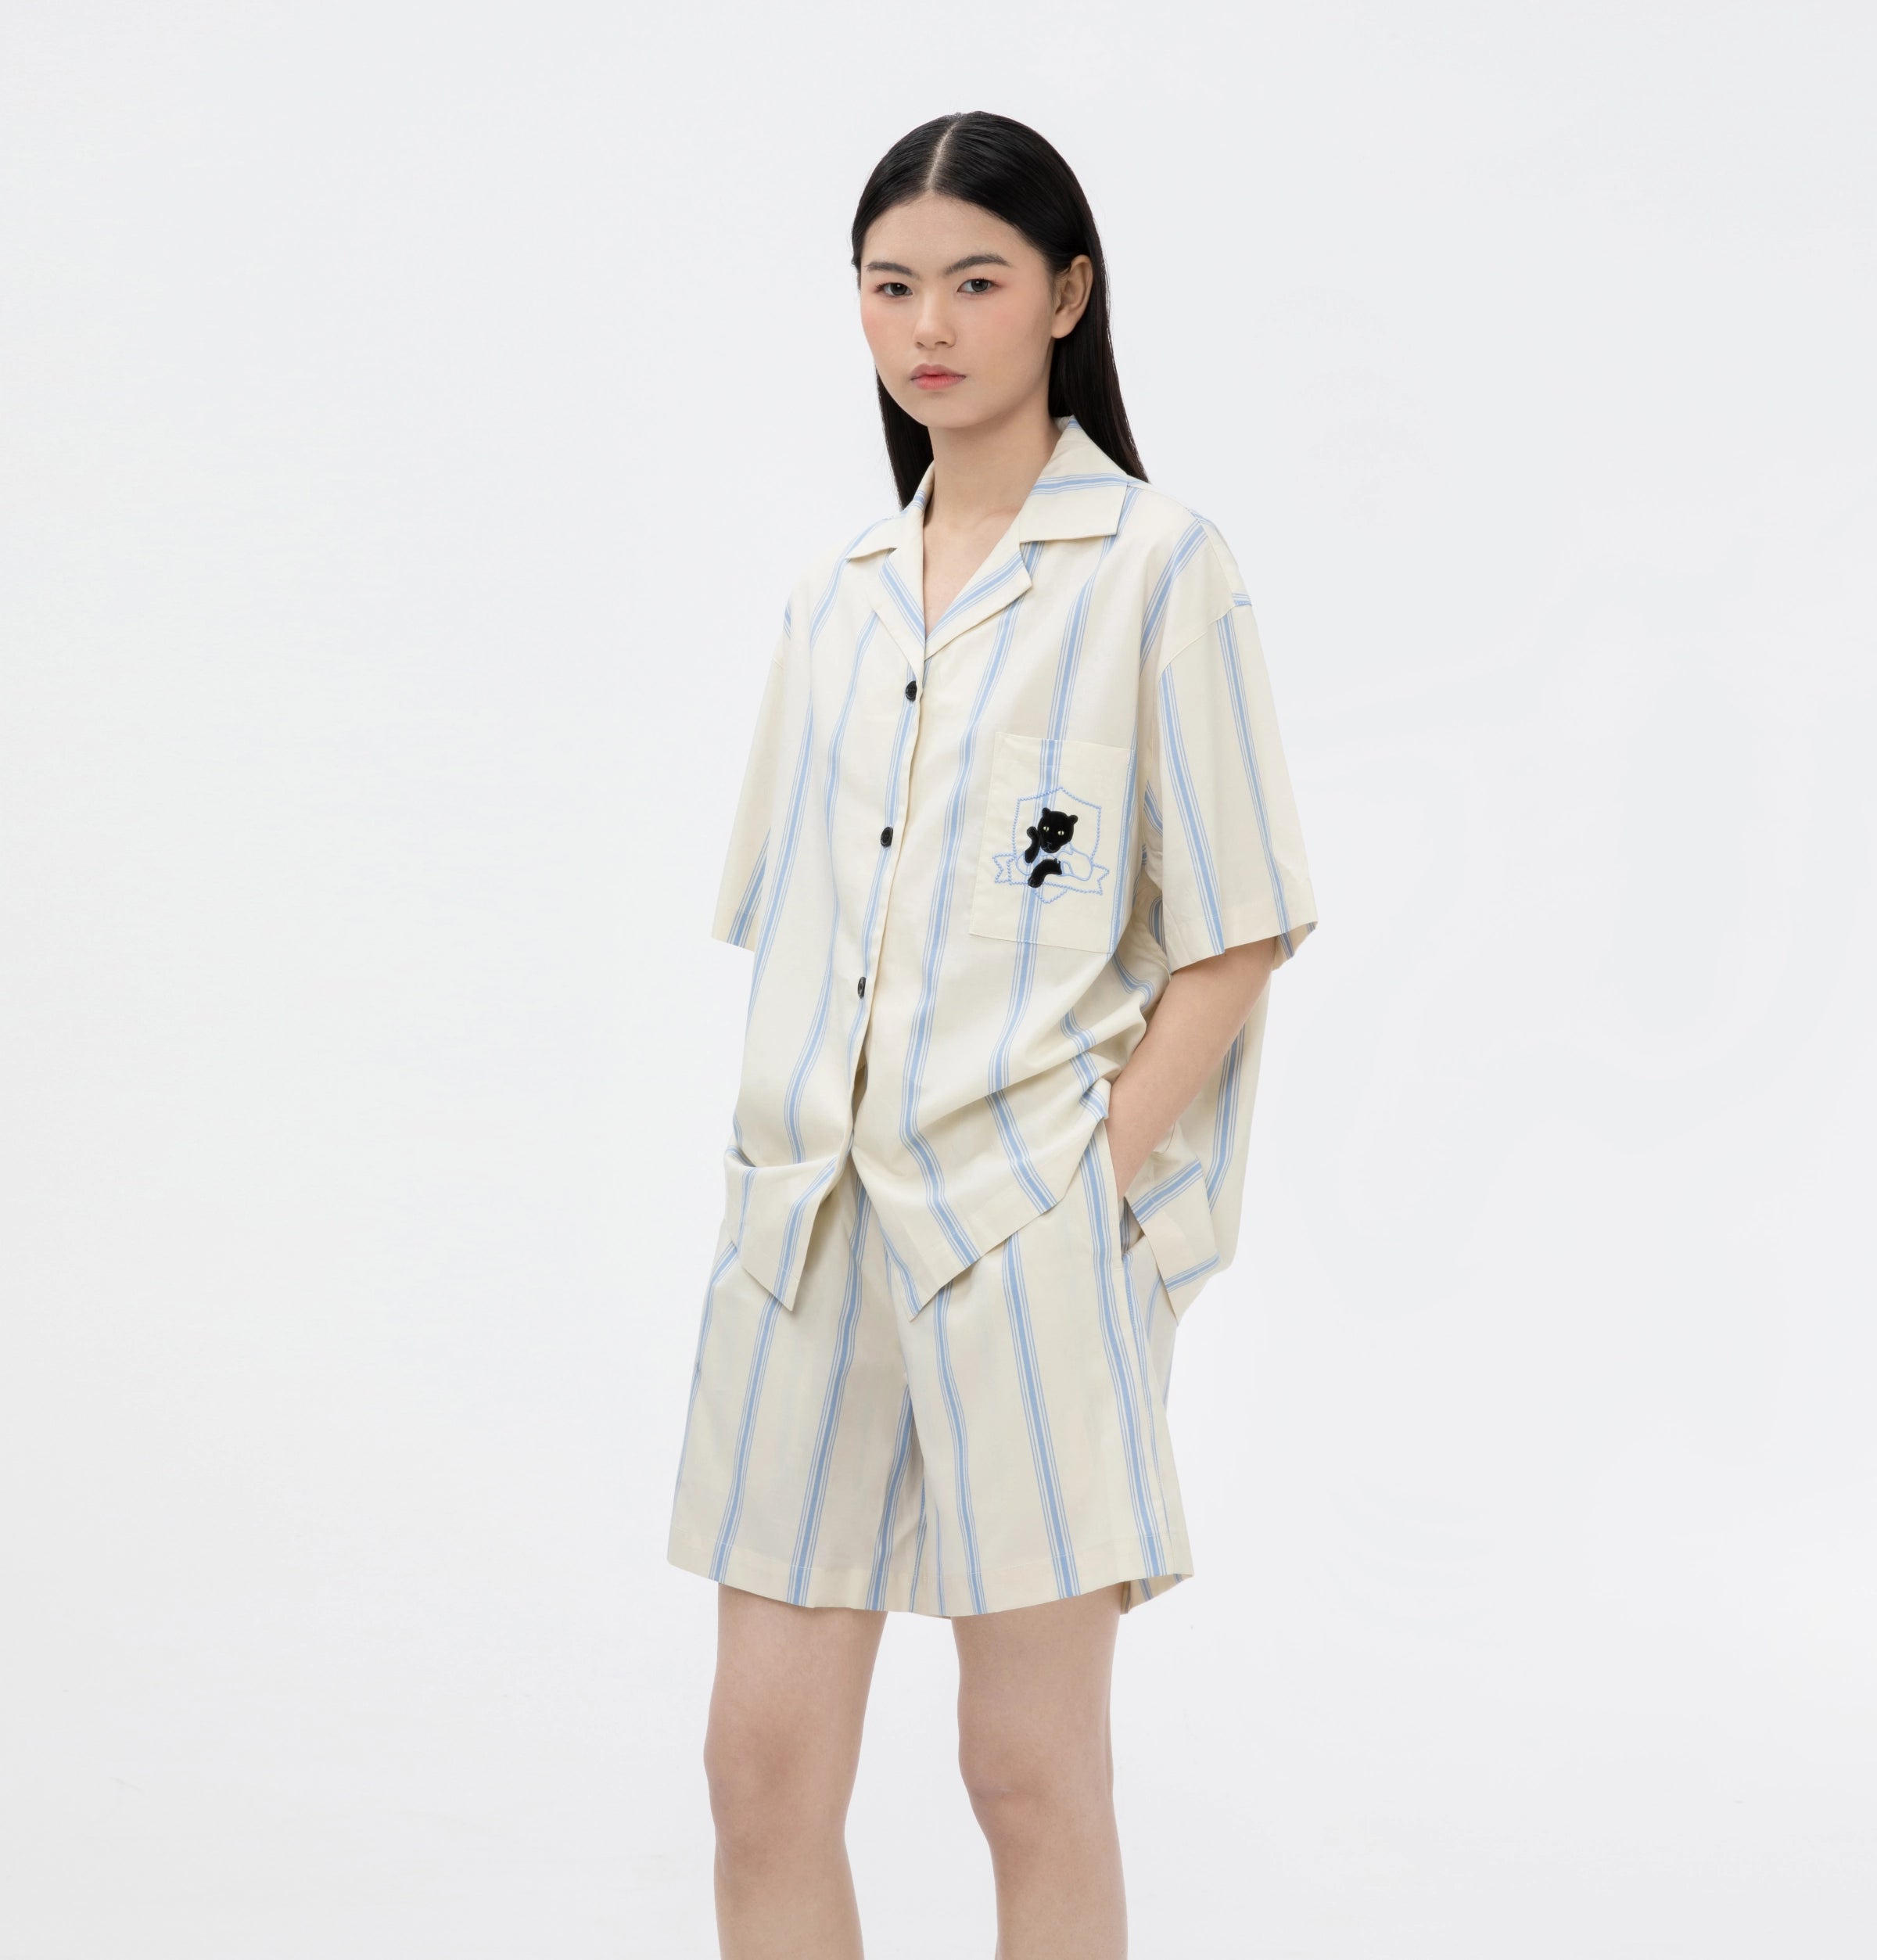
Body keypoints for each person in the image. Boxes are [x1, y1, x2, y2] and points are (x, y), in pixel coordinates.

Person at [666, 109, 1320, 1960]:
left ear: (1067, 296)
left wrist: (1087, 1183)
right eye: (892, 287)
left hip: (1023, 1239)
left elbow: (1239, 926)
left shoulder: (1160, 569)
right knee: (758, 1774)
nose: (930, 327)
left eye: (975, 282)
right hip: (804, 1241)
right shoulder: (835, 606)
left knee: (1029, 1776)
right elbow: (796, 932)